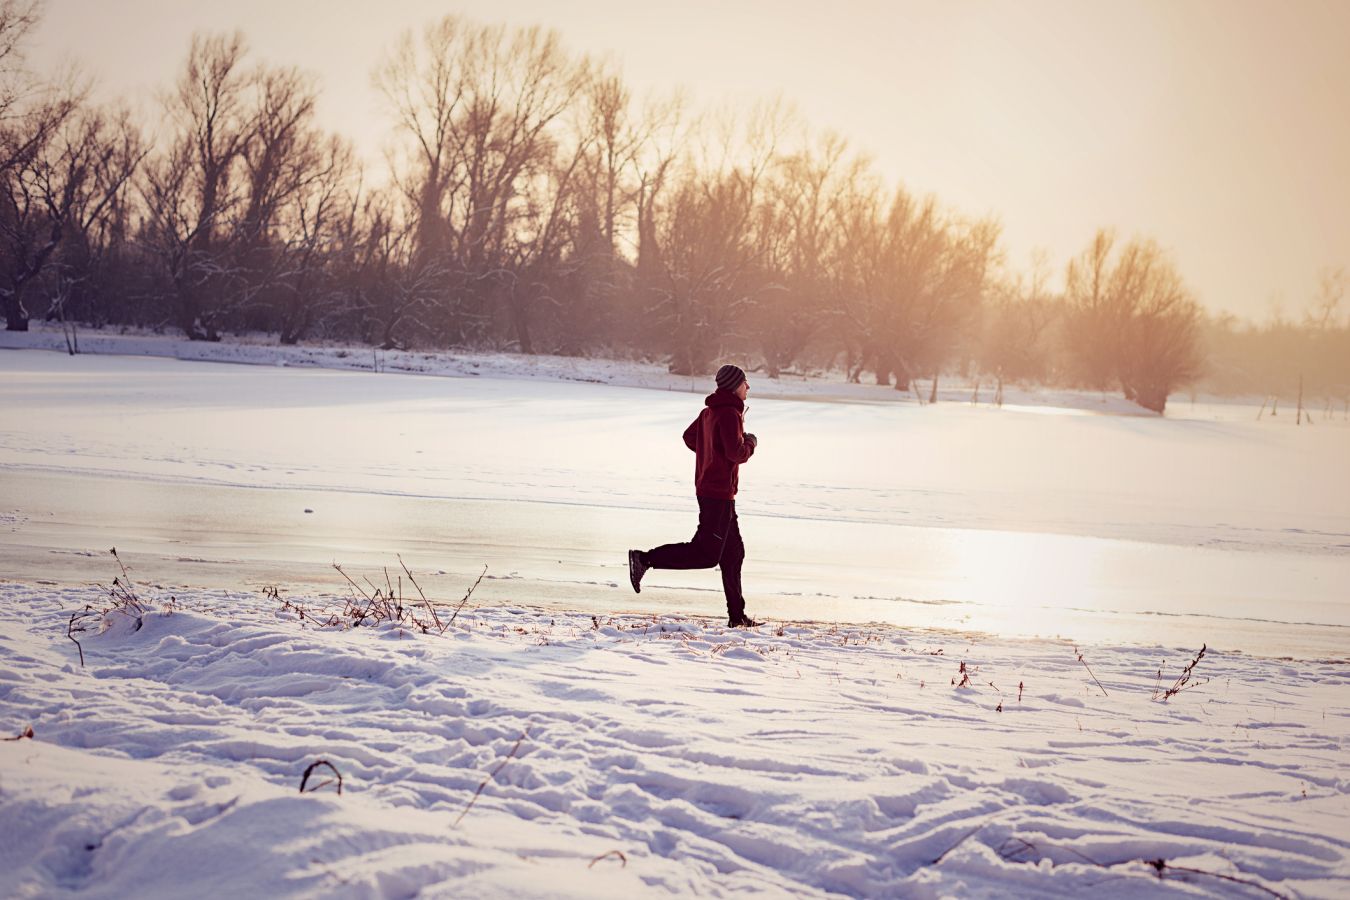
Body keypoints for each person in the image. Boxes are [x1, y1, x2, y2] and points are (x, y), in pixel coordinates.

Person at [629, 364, 761, 627]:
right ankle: (644, 559)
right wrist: (750, 442)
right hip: (717, 494)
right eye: (745, 382)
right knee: (706, 555)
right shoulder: (729, 414)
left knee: (734, 554)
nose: (748, 386)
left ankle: (737, 617)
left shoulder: (709, 412)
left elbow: (690, 437)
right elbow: (736, 453)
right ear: (734, 386)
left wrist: (711, 452)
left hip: (716, 492)